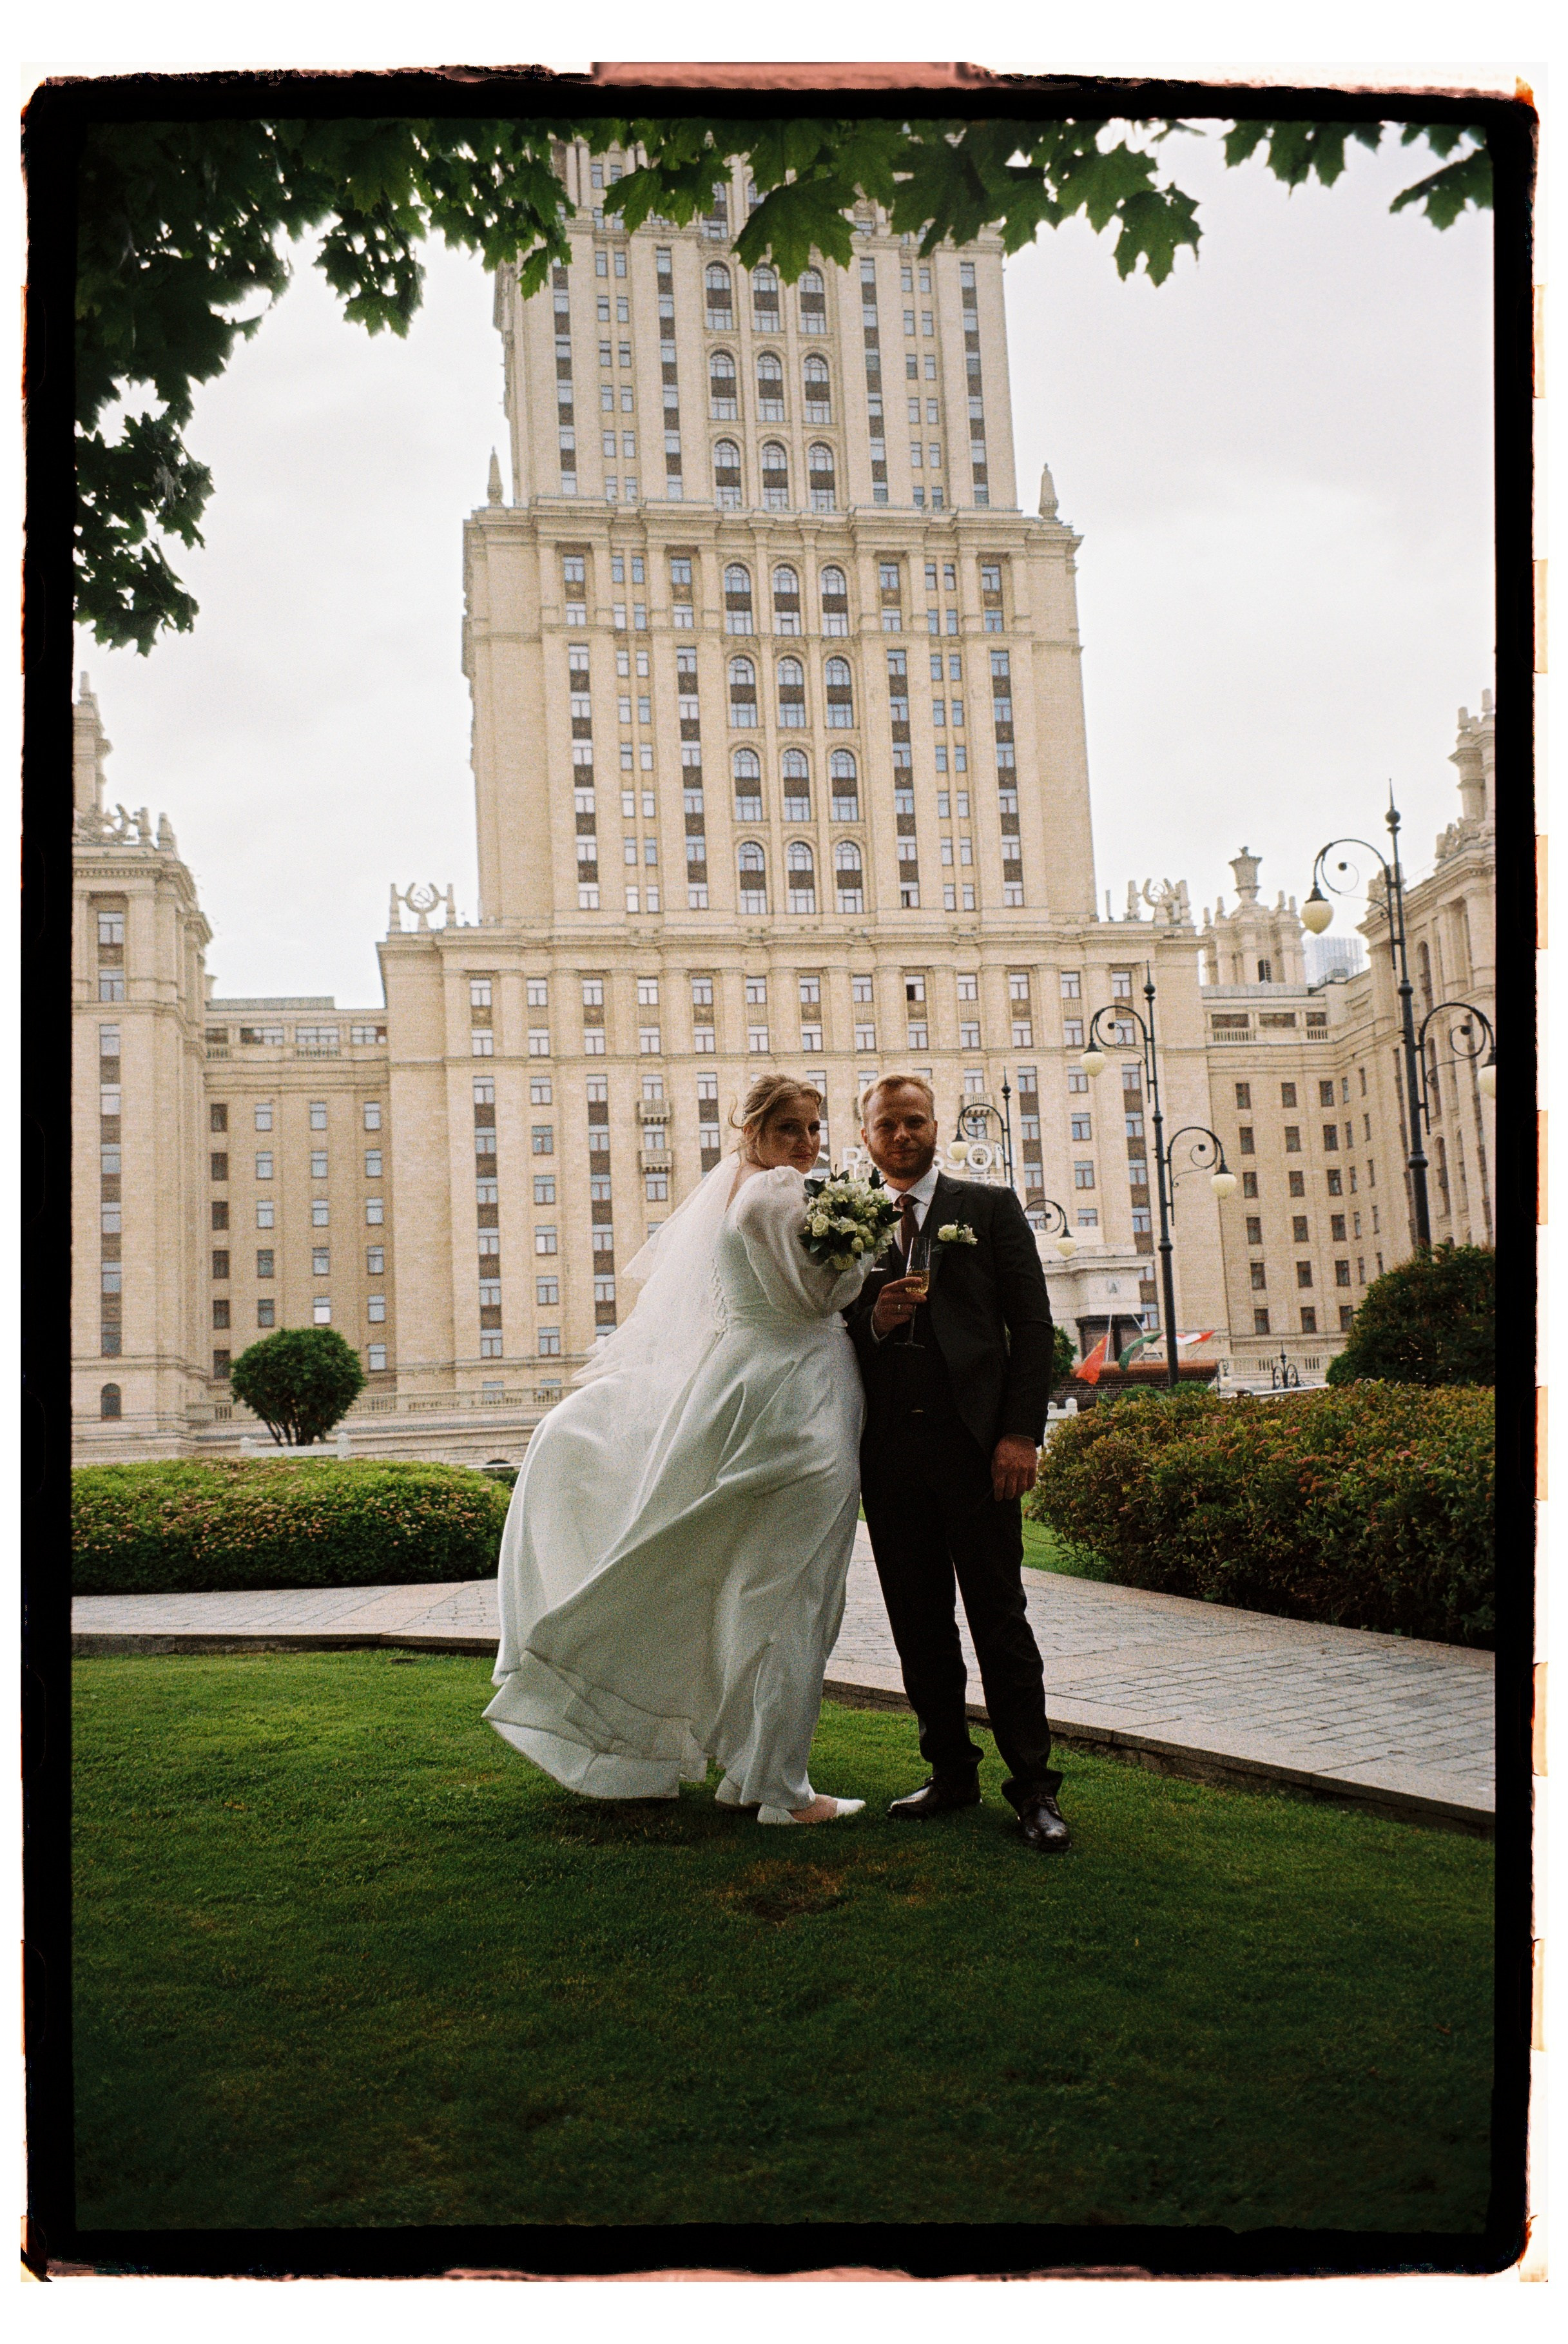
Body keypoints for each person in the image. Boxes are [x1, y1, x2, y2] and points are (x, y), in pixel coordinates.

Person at [483, 1075, 873, 1826]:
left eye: (815, 1128)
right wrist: (863, 1251)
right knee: (798, 1593)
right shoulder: (774, 1193)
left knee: (762, 1584)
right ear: (753, 1129)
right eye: (790, 1127)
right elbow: (818, 1296)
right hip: (797, 1396)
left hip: (765, 1383)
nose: (807, 1142)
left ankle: (754, 1772)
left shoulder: (743, 1189)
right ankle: (780, 1791)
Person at [844, 1076, 1070, 1853]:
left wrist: (1020, 1434)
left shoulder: (990, 1207)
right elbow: (824, 1327)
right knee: (919, 1626)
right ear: (865, 1134)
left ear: (936, 1126)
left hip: (978, 1451)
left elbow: (1032, 1327)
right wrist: (873, 1319)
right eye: (887, 1125)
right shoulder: (844, 1218)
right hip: (889, 1458)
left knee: (998, 1619)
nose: (902, 1135)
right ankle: (950, 1770)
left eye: (914, 1122)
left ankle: (1035, 1789)